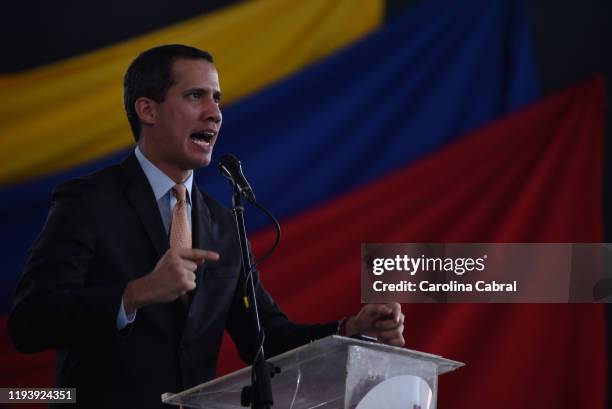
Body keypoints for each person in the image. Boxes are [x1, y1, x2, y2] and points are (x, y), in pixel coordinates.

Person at [8, 44, 404, 409]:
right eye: (195, 96)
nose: (214, 113)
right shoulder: (89, 202)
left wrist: (350, 329)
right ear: (148, 110)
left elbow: (264, 336)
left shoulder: (223, 221)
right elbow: (29, 322)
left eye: (217, 98)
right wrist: (135, 294)